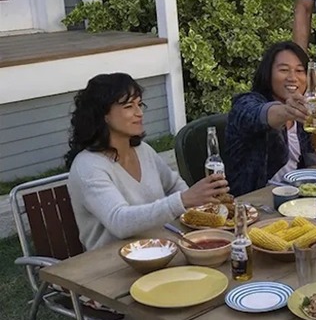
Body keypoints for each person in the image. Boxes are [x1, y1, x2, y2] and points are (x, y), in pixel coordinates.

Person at [66, 73, 229, 251]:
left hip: (161, 248)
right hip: (112, 265)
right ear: (103, 115)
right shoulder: (88, 167)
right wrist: (183, 200)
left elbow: (173, 184)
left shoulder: (142, 150)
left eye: (140, 104)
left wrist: (198, 208)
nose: (139, 113)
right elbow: (119, 221)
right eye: (129, 106)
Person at [224, 42, 316, 195]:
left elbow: (307, 154)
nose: (293, 78)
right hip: (255, 203)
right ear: (267, 73)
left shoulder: (301, 108)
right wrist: (285, 111)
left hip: (296, 196)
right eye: (283, 70)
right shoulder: (245, 103)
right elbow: (256, 114)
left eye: (299, 71)